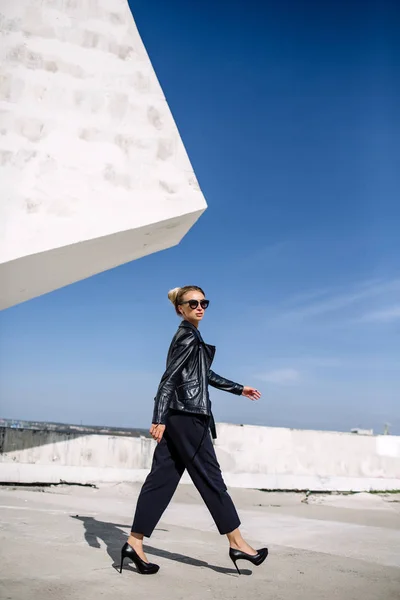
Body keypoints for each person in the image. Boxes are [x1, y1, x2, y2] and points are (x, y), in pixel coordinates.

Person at [119, 285, 268, 576]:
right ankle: (237, 543)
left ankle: (133, 543)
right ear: (180, 308)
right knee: (211, 479)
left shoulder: (190, 336)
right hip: (187, 418)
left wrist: (239, 389)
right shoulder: (187, 336)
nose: (200, 307)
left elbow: (203, 375)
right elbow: (168, 379)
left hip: (179, 416)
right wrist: (158, 417)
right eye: (193, 303)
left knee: (160, 481)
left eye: (204, 302)